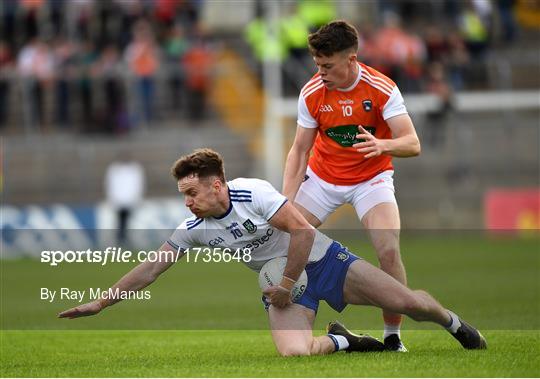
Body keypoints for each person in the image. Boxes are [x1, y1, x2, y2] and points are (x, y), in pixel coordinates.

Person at [59, 148, 486, 356]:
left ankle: (452, 321)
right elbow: (151, 270)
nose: (186, 202)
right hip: (283, 286)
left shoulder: (255, 194)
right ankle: (343, 341)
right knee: (295, 354)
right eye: (182, 195)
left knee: (409, 303)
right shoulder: (191, 229)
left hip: (321, 261)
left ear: (217, 185)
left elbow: (301, 234)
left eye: (191, 193)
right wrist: (101, 302)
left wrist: (283, 284)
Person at [282, 20, 420, 352]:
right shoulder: (313, 92)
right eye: (317, 64)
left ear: (351, 59)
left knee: (388, 252)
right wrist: (284, 203)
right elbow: (300, 149)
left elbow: (412, 143)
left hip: (371, 180)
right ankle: (302, 330)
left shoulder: (382, 88)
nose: (321, 72)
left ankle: (392, 336)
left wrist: (383, 146)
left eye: (327, 65)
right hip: (323, 180)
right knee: (284, 244)